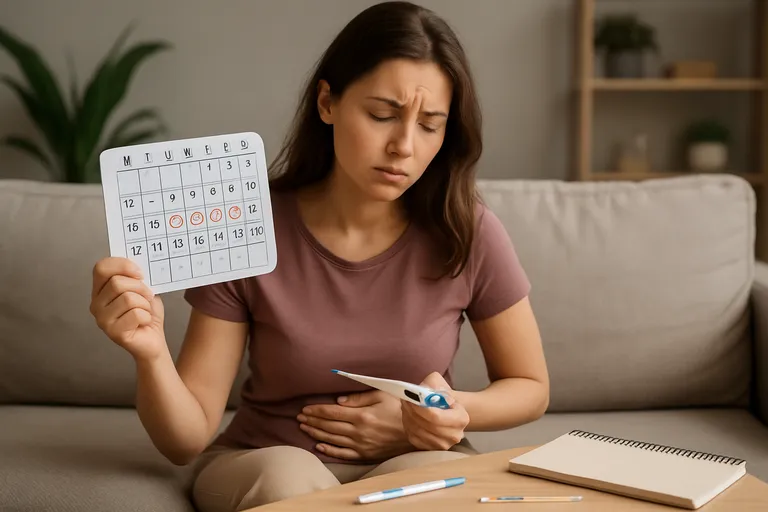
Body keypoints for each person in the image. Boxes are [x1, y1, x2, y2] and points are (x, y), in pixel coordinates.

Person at [89, 1, 549, 511]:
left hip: (417, 456)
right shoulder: (248, 222)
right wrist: (150, 353)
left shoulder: (468, 230)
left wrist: (447, 410)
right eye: (382, 115)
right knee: (289, 479)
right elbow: (184, 439)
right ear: (327, 103)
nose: (404, 146)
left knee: (435, 487)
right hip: (266, 459)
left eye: (430, 125)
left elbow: (530, 386)